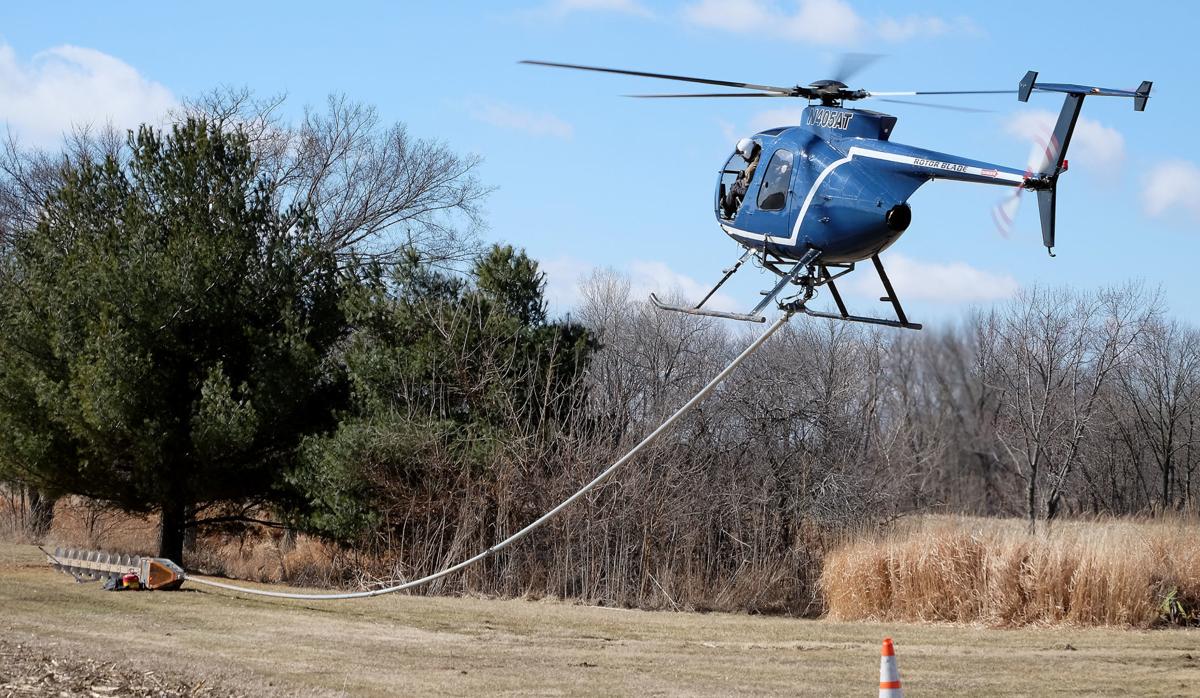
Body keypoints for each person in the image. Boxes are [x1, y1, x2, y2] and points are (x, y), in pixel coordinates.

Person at [723, 138, 760, 218]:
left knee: (735, 187)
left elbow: (748, 191)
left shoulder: (751, 169)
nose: (743, 158)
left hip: (756, 194)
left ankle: (727, 212)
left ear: (746, 152)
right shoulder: (761, 154)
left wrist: (735, 188)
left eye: (742, 156)